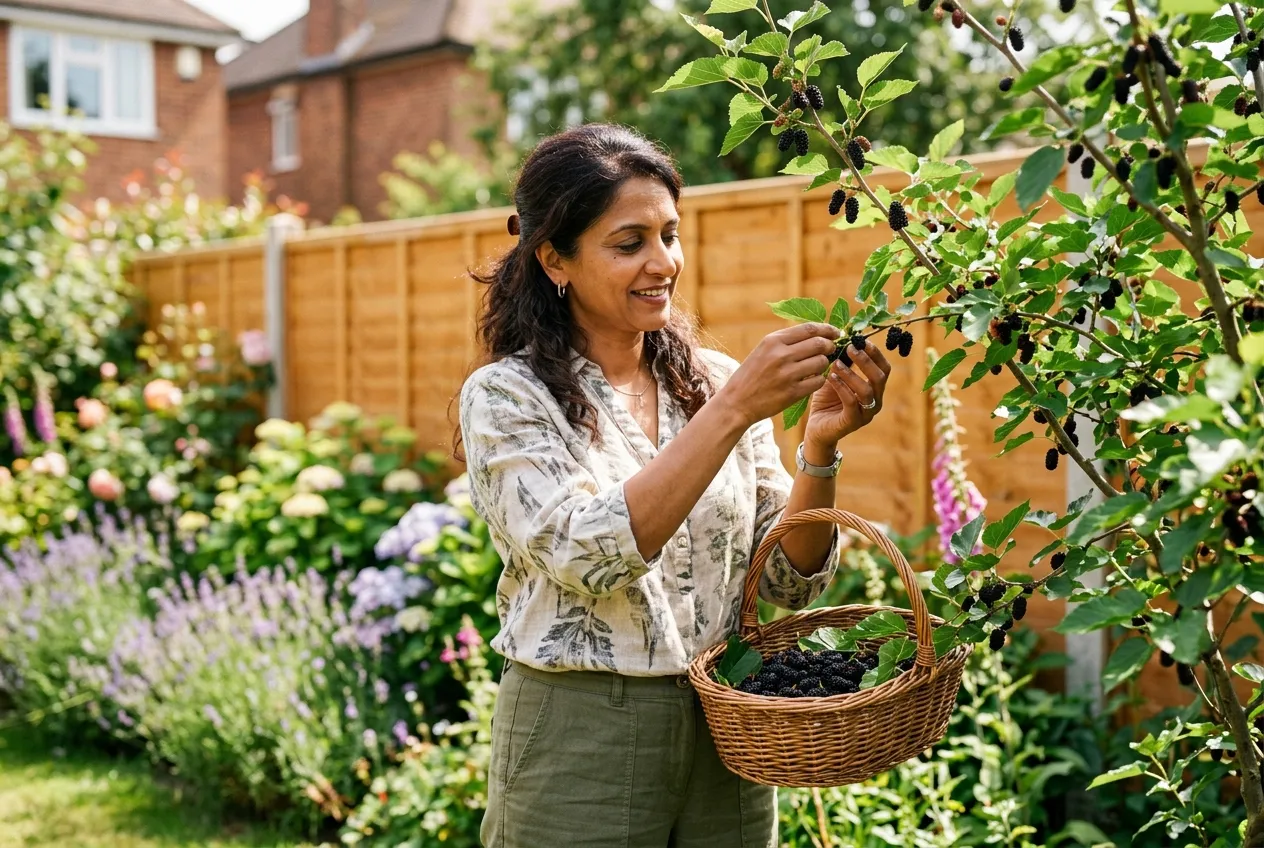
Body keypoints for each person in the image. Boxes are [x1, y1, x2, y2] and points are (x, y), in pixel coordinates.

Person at [457, 123, 891, 848]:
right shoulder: (507, 398)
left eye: (671, 234)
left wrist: (819, 447)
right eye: (629, 243)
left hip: (731, 720)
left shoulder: (714, 385)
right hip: (580, 735)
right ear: (554, 259)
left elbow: (786, 580)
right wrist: (731, 412)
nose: (663, 262)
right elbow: (589, 556)